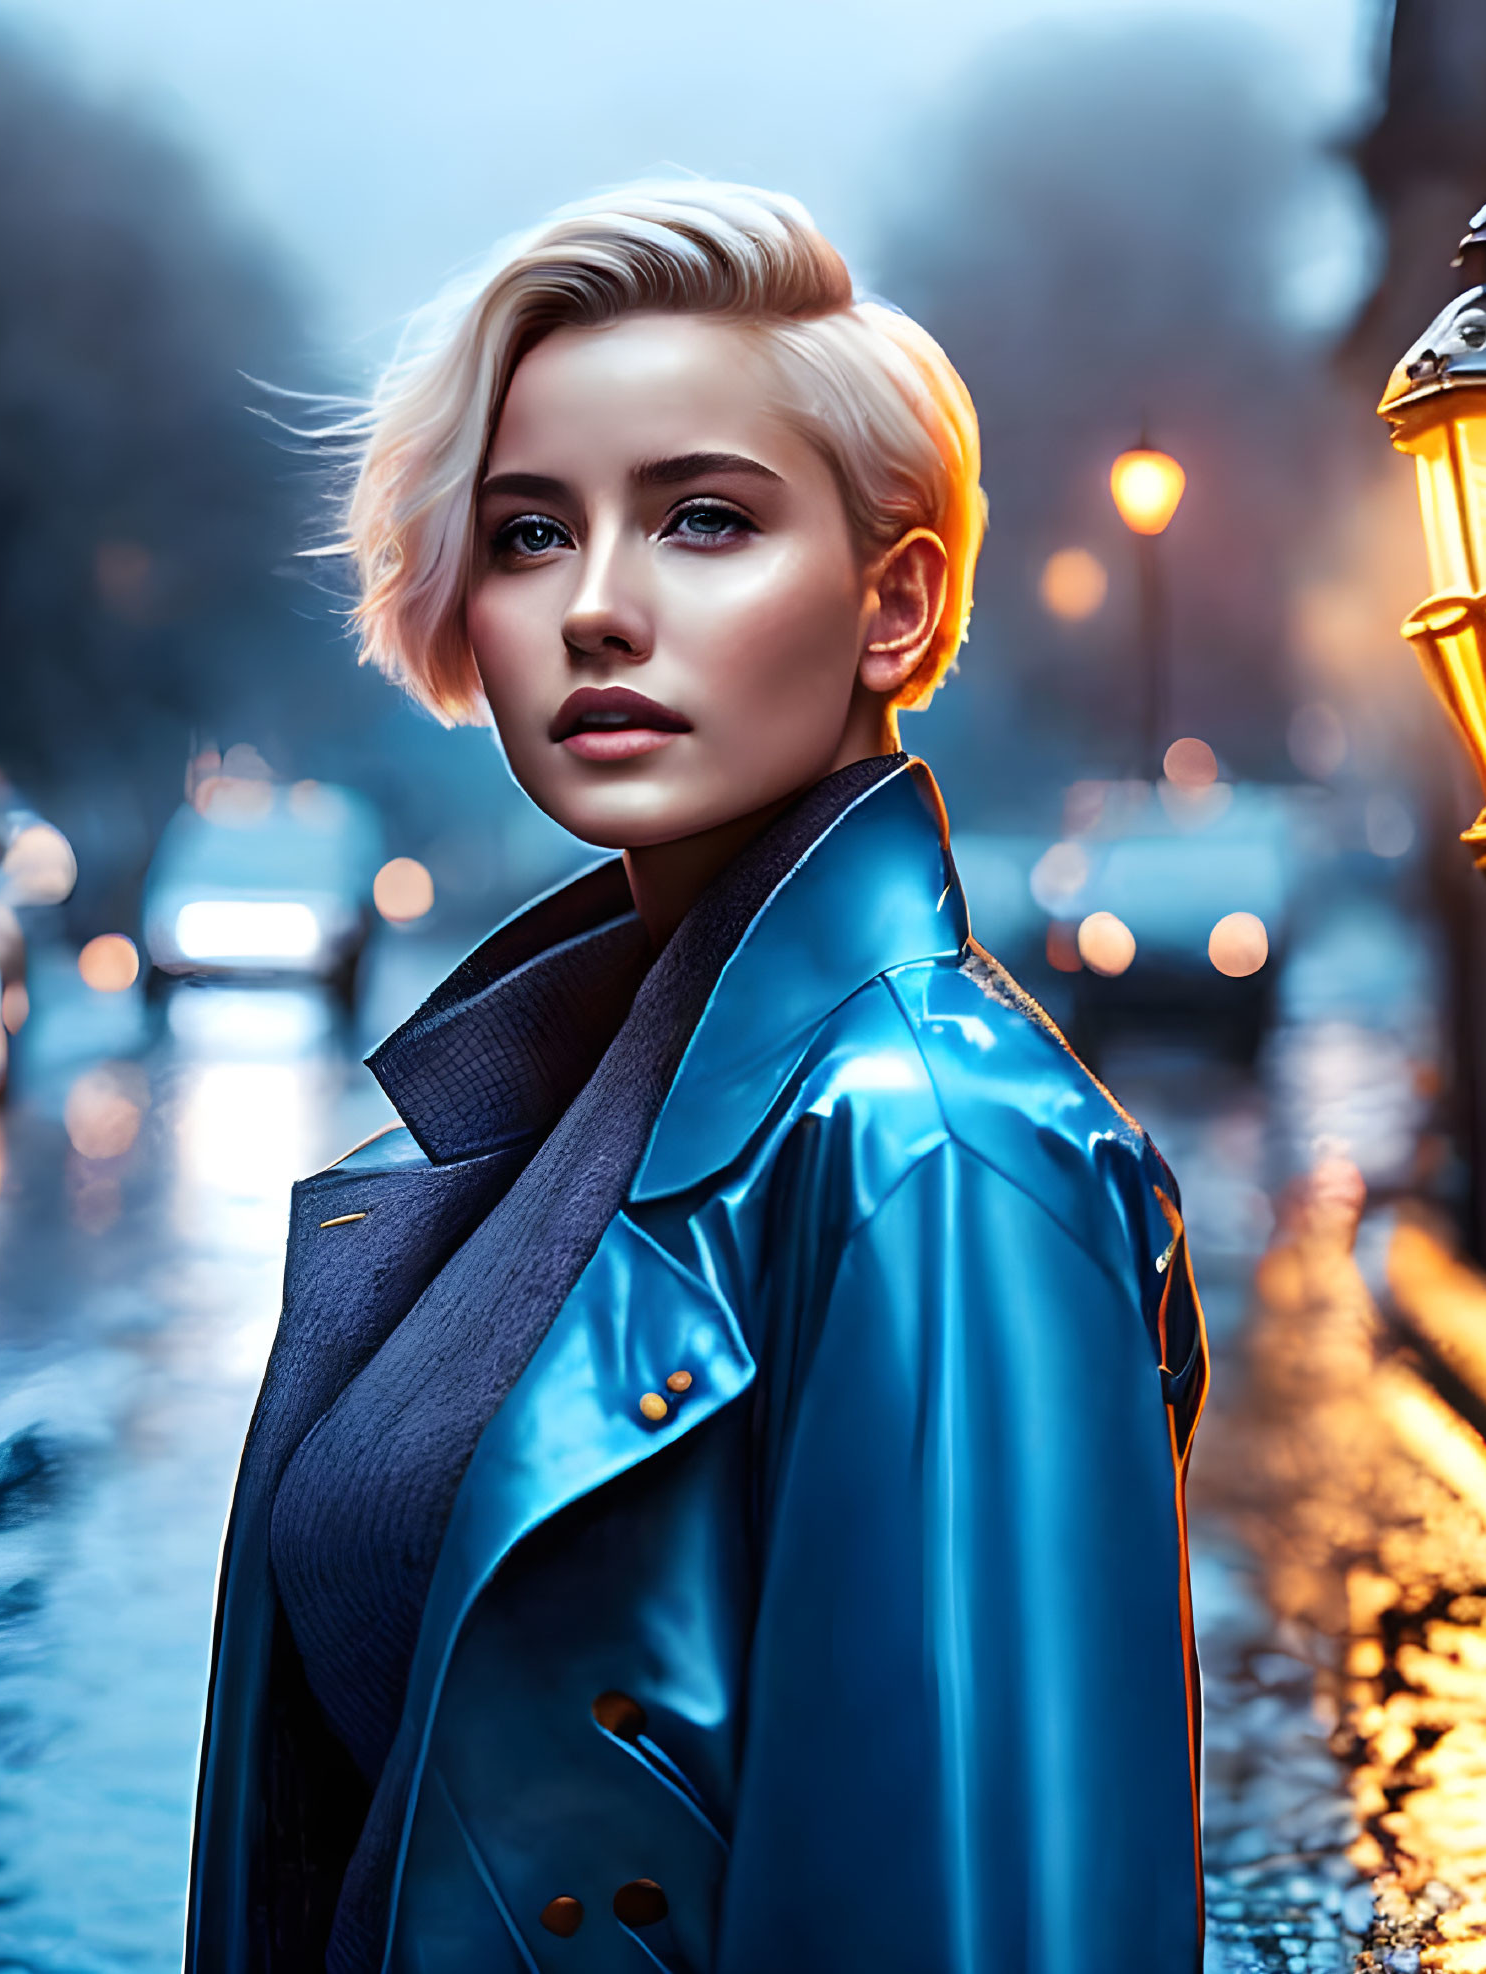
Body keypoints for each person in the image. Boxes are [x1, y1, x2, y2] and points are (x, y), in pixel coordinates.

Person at [186, 180, 1208, 1974]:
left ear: (894, 607)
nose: (593, 608)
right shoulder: (569, 1108)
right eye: (524, 534)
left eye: (704, 520)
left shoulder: (940, 1152)